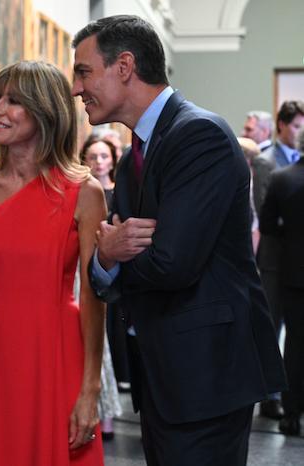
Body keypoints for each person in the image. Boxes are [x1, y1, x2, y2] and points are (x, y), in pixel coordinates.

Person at [72, 15, 286, 465]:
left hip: (206, 374)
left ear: (124, 66)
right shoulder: (137, 152)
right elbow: (111, 266)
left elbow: (173, 262)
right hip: (169, 374)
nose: (76, 88)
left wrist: (114, 257)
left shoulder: (197, 135)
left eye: (84, 71)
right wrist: (108, 256)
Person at [0, 60, 106, 466]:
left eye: (13, 101)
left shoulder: (85, 192)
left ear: (45, 110)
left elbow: (94, 297)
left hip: (55, 353)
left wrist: (90, 389)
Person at [250, 100, 304, 420]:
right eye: (296, 126)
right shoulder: (267, 161)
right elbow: (263, 210)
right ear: (282, 126)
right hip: (274, 259)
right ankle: (271, 399)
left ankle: (292, 398)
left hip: (294, 258)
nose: (299, 132)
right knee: (273, 328)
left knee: (295, 335)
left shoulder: (294, 163)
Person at [79, 135, 123, 440]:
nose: (99, 162)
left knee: (102, 344)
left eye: (104, 156)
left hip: (109, 274)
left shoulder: (118, 192)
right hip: (81, 274)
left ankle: (105, 410)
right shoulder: (80, 190)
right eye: (93, 156)